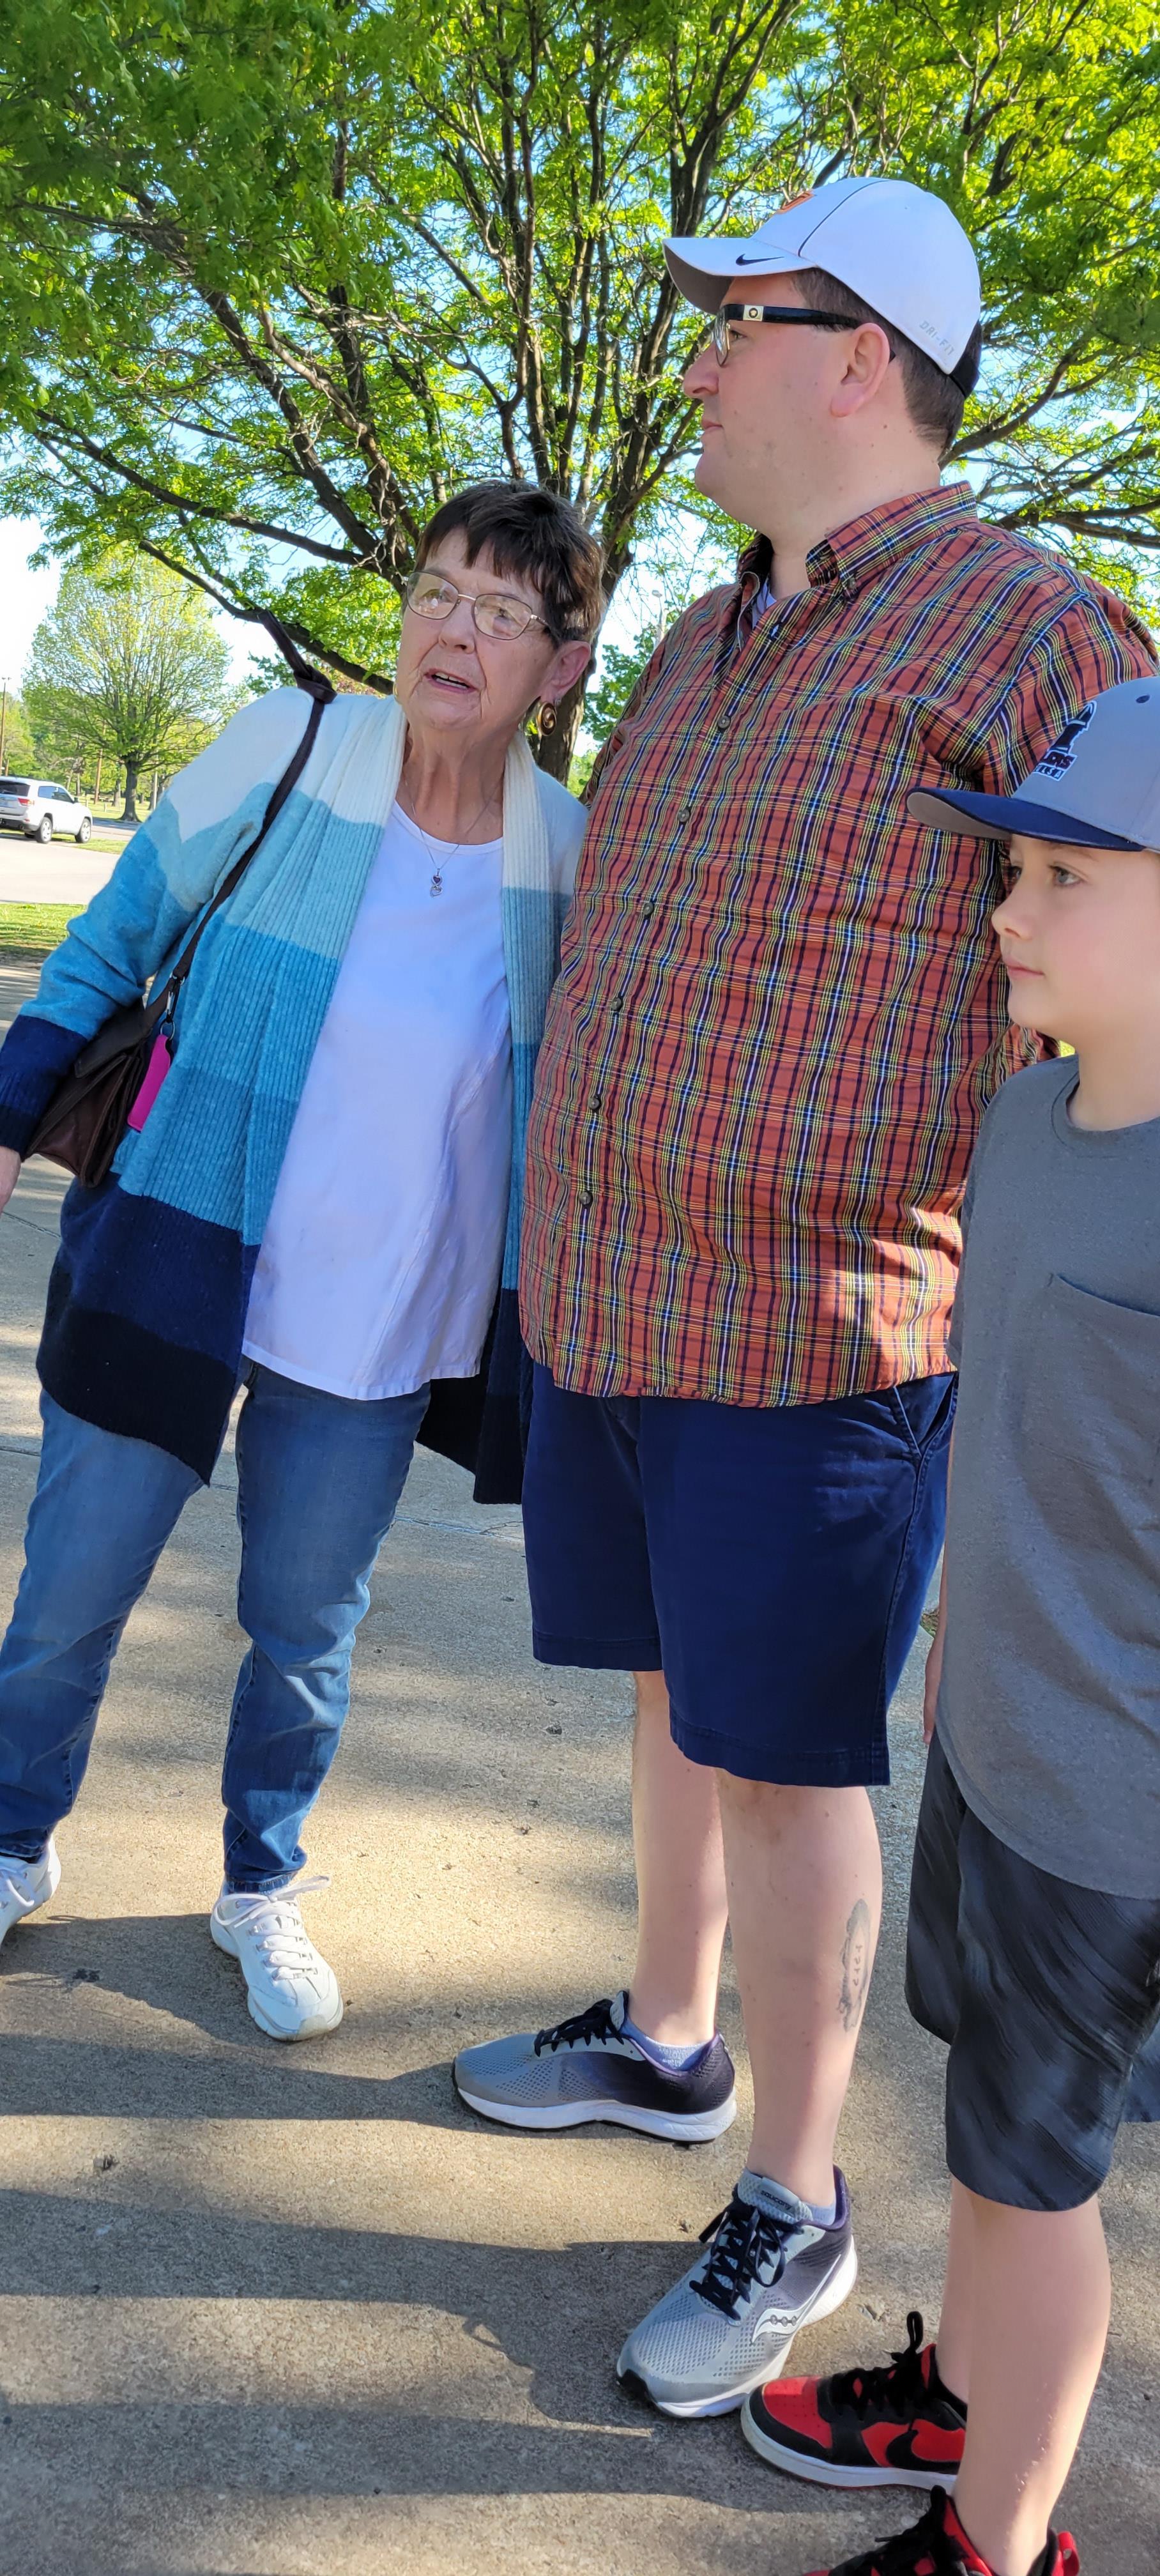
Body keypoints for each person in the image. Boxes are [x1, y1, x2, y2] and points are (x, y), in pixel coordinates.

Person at [452, 174, 1156, 2416]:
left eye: (727, 318)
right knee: (670, 1698)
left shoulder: (1033, 630)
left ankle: (792, 2192)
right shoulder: (692, 629)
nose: (689, 358)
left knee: (784, 1766)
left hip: (818, 1331)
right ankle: (663, 2042)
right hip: (616, 1299)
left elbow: (1112, 963)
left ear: (861, 354)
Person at [0, 480, 599, 2041]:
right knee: (70, 1595)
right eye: (436, 591)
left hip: (385, 1311)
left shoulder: (564, 854)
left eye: (499, 611)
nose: (451, 629)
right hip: (178, 1254)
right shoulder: (291, 746)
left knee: (304, 1626)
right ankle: (10, 1838)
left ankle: (260, 1883)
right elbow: (115, 935)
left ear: (558, 662)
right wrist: (9, 1101)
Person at [744, 676, 1160, 2576]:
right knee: (982, 2146)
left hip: (1117, 1814)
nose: (1008, 911)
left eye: (1067, 876)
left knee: (1034, 2180)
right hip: (987, 1742)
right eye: (1013, 868)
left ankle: (1000, 2548)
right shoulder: (1020, 1119)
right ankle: (959, 2405)